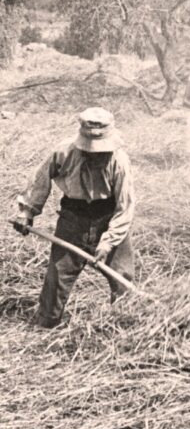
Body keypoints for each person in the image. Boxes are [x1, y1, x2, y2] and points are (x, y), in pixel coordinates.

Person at [13, 107, 135, 329]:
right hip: (72, 218)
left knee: (123, 278)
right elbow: (40, 180)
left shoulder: (119, 160)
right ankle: (46, 325)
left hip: (108, 218)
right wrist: (27, 213)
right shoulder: (64, 152)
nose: (95, 154)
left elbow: (125, 207)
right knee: (57, 278)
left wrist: (108, 241)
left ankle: (126, 326)